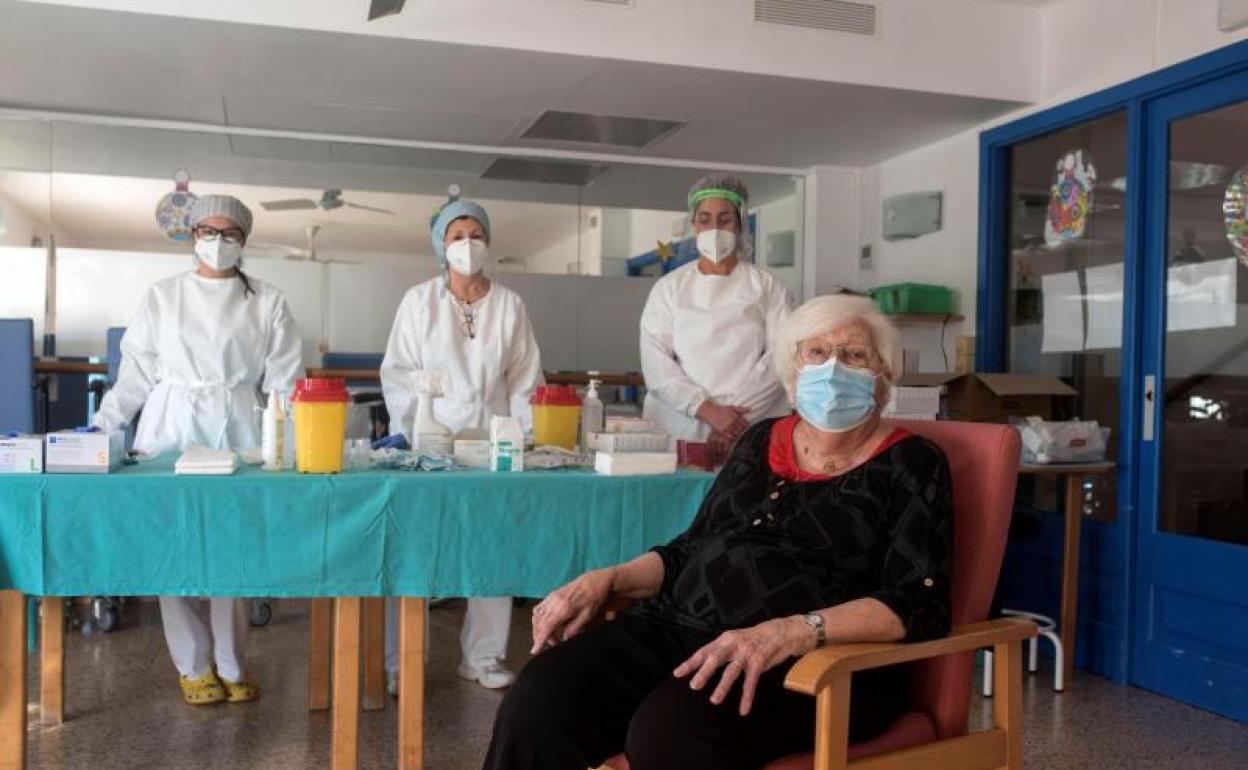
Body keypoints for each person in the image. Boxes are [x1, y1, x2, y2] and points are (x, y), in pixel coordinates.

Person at [481, 294, 953, 770]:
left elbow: (919, 601)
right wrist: (609, 578)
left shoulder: (910, 463)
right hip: (677, 628)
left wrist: (796, 630)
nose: (833, 369)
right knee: (541, 699)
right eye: (817, 352)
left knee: (670, 731)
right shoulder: (759, 440)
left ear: (882, 379)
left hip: (806, 661)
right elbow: (690, 550)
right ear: (793, 373)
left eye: (854, 355)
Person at [94, 194, 303, 705]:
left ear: (244, 241)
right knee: (176, 546)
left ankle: (232, 663)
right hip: (171, 426)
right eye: (207, 231)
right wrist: (101, 429)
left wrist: (290, 446)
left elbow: (285, 382)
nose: (217, 241)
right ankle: (193, 666)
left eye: (229, 233)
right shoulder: (163, 296)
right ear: (192, 238)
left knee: (235, 548)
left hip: (239, 427)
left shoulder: (268, 300)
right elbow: (135, 373)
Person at [378, 198, 544, 691]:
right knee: (414, 551)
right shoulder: (418, 302)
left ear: (489, 243)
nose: (467, 244)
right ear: (440, 246)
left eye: (476, 235)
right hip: (429, 446)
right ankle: (401, 662)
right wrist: (414, 436)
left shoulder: (509, 305)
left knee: (491, 546)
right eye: (456, 236)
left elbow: (525, 379)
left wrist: (521, 439)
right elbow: (397, 373)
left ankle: (484, 657)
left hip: (493, 445)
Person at [639, 173, 792, 456]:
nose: (714, 229)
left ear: (740, 222)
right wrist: (707, 410)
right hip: (679, 423)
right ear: (694, 224)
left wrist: (734, 422)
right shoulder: (669, 288)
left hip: (749, 422)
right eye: (705, 219)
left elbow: (781, 356)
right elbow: (656, 364)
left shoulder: (767, 286)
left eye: (725, 219)